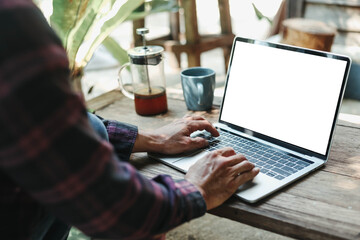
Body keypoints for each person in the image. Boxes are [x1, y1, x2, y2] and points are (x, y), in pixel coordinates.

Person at [0, 0, 259, 239]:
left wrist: (149, 139)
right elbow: (117, 211)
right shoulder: (12, 21)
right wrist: (197, 189)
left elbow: (46, 125)